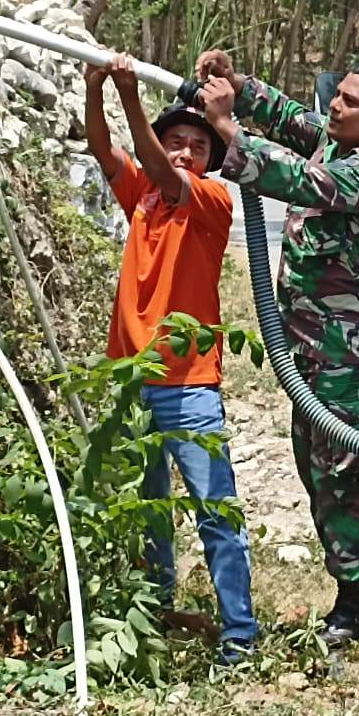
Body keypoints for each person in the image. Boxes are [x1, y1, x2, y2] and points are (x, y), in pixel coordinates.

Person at [194, 50, 359, 647]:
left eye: (349, 101)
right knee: (315, 466)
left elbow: (296, 176)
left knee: (344, 472)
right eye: (336, 94)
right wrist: (236, 84)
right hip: (312, 348)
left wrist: (227, 129)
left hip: (351, 353)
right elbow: (291, 119)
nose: (334, 105)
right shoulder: (335, 141)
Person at [84, 52, 257, 663]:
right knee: (148, 511)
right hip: (133, 379)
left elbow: (156, 167)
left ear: (210, 161)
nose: (185, 152)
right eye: (174, 142)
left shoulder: (210, 202)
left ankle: (239, 633)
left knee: (213, 511)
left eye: (196, 145)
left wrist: (132, 98)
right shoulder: (143, 199)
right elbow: (107, 153)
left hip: (188, 384)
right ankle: (154, 613)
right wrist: (94, 87)